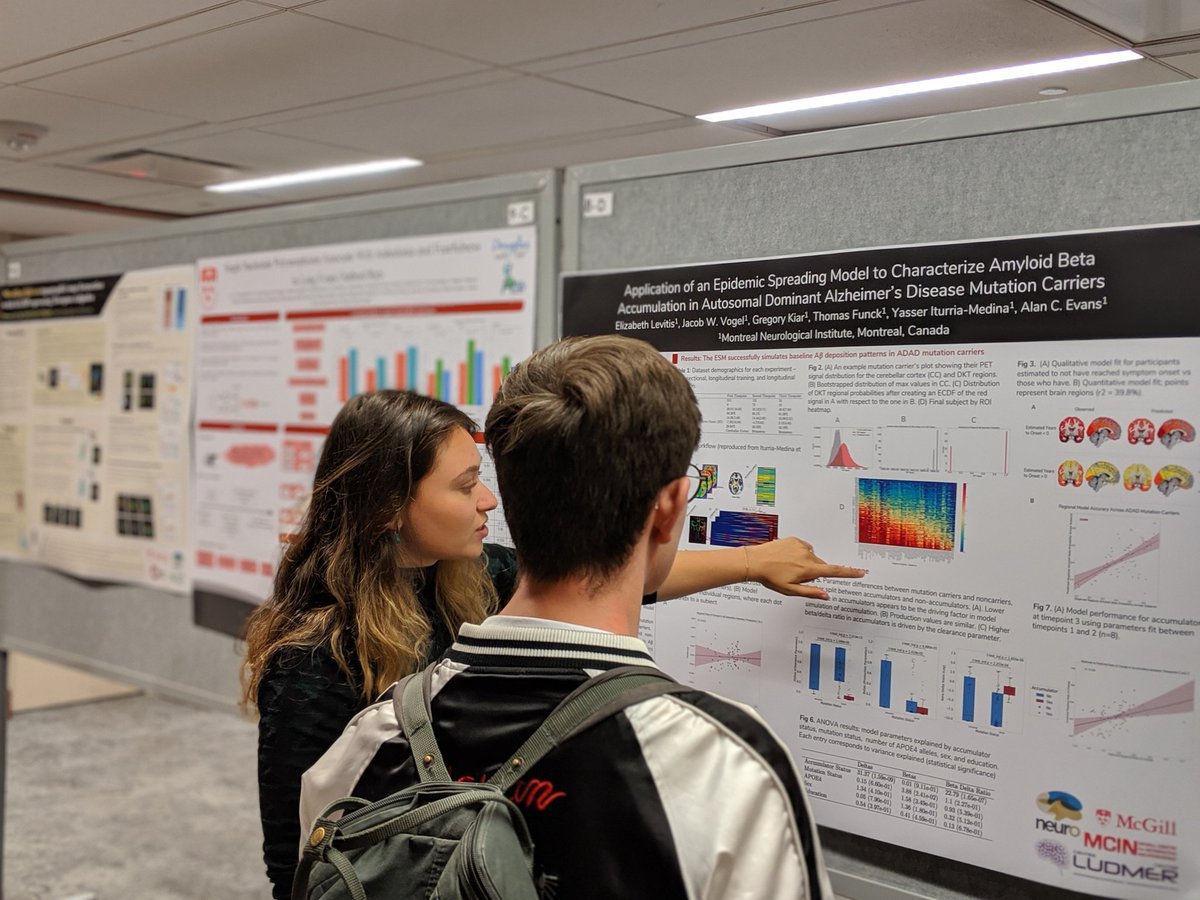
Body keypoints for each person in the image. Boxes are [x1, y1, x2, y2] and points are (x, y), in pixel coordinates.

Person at [300, 336, 848, 899]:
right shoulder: (725, 767)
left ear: (513, 493)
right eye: (466, 484)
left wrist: (750, 560)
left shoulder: (364, 745)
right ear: (669, 508)